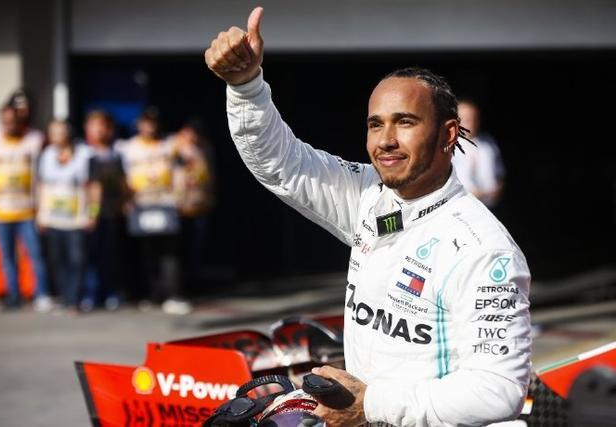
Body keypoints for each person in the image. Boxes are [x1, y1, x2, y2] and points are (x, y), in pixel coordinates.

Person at [205, 7, 531, 427]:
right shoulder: (368, 196)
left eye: (405, 122)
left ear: (448, 133)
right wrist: (246, 86)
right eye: (376, 125)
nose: (386, 140)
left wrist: (372, 404)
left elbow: (497, 391)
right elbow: (282, 165)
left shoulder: (484, 249)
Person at [0, 105, 52, 311]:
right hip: (1, 212)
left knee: (36, 255)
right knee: (7, 257)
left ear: (20, 120)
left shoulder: (33, 141)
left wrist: (42, 208)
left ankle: (41, 294)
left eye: (14, 120)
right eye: (6, 121)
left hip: (28, 210)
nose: (10, 124)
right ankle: (14, 295)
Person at [118, 108, 190, 314]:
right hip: (141, 203)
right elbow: (122, 175)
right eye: (145, 122)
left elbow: (181, 169)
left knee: (169, 252)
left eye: (153, 122)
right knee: (147, 252)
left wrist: (180, 196)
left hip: (165, 201)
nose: (149, 126)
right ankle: (152, 295)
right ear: (139, 124)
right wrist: (125, 199)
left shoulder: (170, 144)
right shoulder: (129, 147)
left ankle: (173, 295)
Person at [37, 120, 95, 312]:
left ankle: (75, 300)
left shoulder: (84, 154)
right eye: (52, 132)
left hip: (76, 218)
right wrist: (41, 214)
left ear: (68, 133)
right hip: (53, 218)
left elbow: (92, 186)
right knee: (58, 260)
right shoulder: (47, 155)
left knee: (77, 259)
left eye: (59, 132)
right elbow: (42, 185)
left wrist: (92, 212)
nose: (55, 136)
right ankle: (66, 297)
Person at [80, 110, 126, 311]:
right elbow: (91, 187)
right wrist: (91, 212)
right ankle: (90, 294)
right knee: (89, 256)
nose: (99, 130)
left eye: (103, 126)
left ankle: (110, 293)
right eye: (94, 125)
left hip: (111, 212)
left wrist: (125, 201)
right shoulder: (82, 153)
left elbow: (122, 182)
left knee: (110, 255)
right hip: (86, 214)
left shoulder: (117, 153)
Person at [172, 118, 215, 295]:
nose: (193, 136)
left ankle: (194, 284)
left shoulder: (205, 149)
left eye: (196, 132)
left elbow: (210, 176)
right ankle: (179, 287)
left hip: (200, 206)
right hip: (180, 208)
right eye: (189, 132)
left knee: (197, 250)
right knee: (179, 251)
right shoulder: (175, 148)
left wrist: (211, 196)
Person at [452, 99, 505, 208]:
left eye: (474, 118)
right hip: (462, 206)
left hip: (490, 206)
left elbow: (500, 172)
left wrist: (498, 189)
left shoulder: (488, 143)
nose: (471, 123)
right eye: (466, 119)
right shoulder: (449, 147)